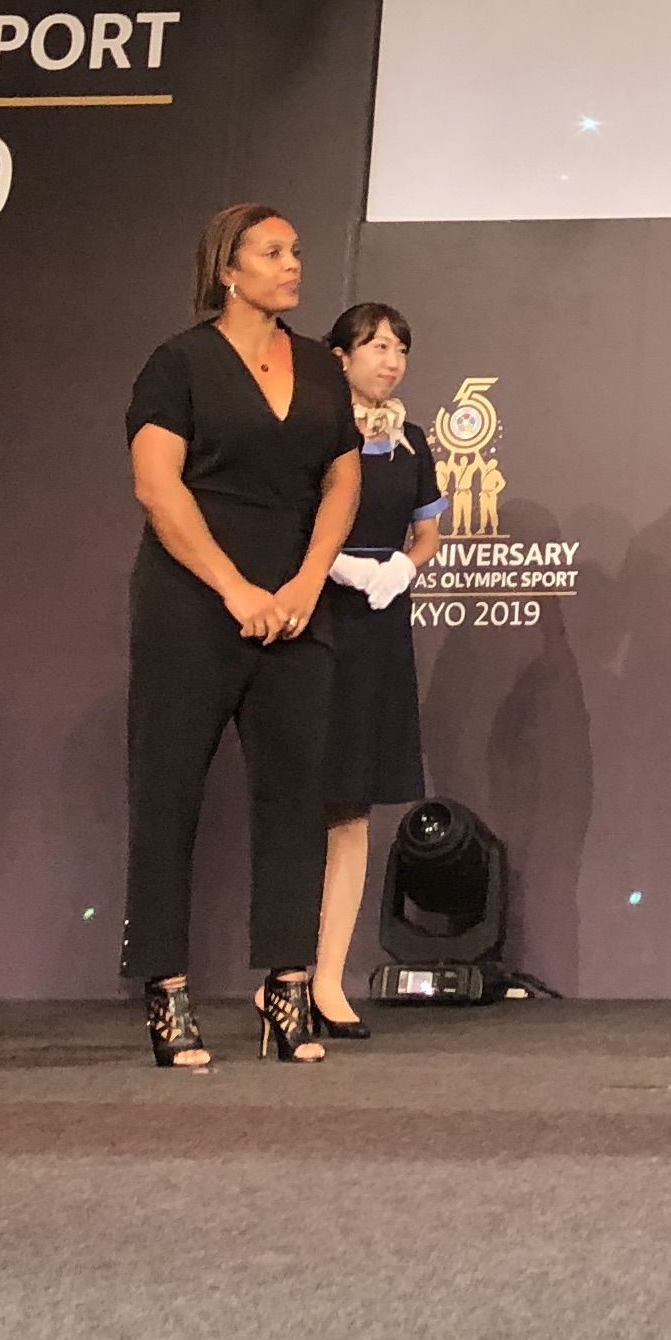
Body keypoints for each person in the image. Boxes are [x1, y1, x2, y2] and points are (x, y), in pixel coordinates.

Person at [125, 204, 365, 1070]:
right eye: (272, 251)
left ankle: (288, 990)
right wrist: (234, 589)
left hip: (298, 606)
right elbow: (157, 486)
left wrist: (305, 584)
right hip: (193, 602)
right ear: (228, 269)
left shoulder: (320, 367)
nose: (293, 263)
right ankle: (167, 993)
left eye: (296, 250)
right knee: (168, 793)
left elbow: (342, 482)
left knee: (295, 796)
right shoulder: (179, 363)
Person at [312, 301, 445, 1036]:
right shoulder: (313, 430)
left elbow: (427, 532)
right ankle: (285, 973)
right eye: (376, 346)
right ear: (340, 357)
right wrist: (331, 565)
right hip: (316, 614)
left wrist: (401, 568)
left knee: (354, 805)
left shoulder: (412, 441)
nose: (391, 361)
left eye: (400, 348)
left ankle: (328, 980)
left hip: (381, 620)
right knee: (304, 794)